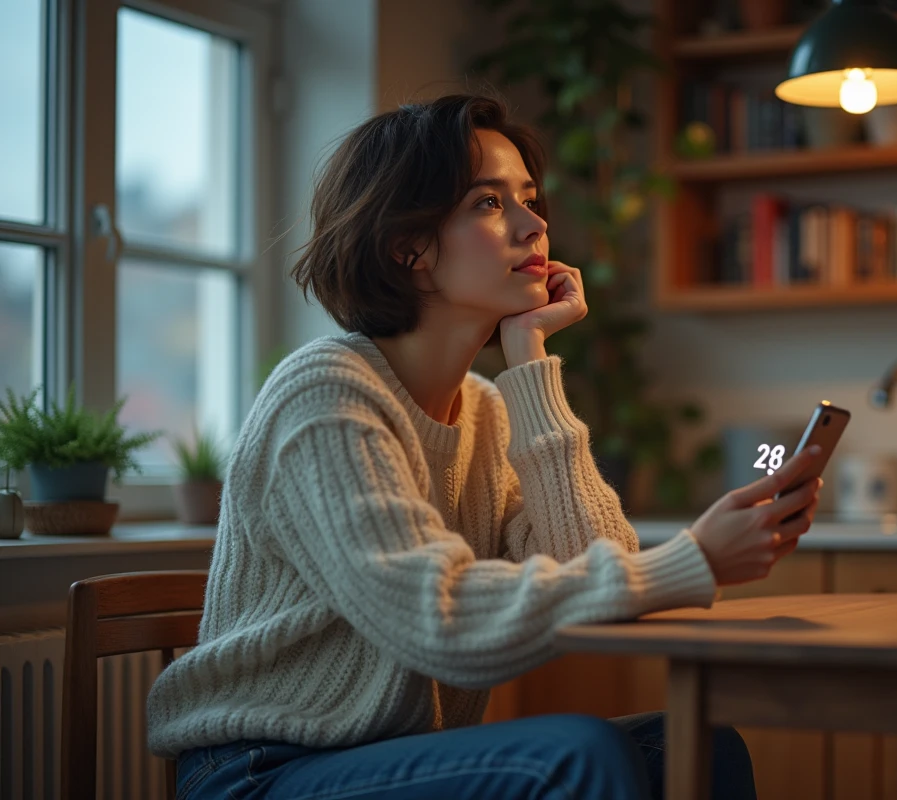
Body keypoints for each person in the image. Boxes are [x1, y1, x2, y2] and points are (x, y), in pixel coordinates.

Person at [146, 93, 822, 800]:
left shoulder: (487, 412)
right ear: (406, 245)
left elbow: (593, 560)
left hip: (394, 757)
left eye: (529, 199)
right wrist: (694, 560)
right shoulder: (325, 393)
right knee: (579, 755)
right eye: (490, 203)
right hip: (257, 770)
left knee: (698, 750)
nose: (536, 224)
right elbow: (435, 620)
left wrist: (529, 361)